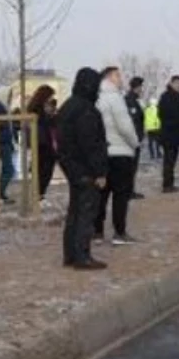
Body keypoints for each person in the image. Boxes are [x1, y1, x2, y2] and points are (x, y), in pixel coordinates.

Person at [56, 68, 108, 270]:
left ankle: (70, 254)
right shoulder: (87, 110)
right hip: (85, 169)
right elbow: (91, 144)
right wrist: (100, 172)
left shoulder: (68, 106)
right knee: (86, 212)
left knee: (75, 211)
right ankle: (82, 256)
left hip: (71, 166)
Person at [94, 67, 140, 244]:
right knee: (121, 194)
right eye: (118, 75)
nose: (121, 78)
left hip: (103, 153)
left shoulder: (97, 99)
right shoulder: (116, 98)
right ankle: (119, 232)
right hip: (120, 152)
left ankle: (97, 231)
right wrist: (135, 143)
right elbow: (125, 126)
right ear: (110, 78)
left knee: (102, 194)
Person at [26, 85, 58, 201]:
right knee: (44, 170)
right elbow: (43, 124)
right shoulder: (37, 109)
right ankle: (39, 195)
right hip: (41, 142)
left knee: (44, 169)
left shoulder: (37, 107)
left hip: (42, 141)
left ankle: (40, 194)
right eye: (50, 96)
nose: (51, 99)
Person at [158, 75, 179, 193]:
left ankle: (170, 183)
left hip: (176, 134)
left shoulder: (178, 96)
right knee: (168, 161)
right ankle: (167, 185)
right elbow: (162, 114)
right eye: (178, 83)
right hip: (168, 134)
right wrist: (172, 123)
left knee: (172, 161)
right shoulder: (165, 96)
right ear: (172, 83)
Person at [125, 76, 146, 200]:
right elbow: (132, 122)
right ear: (136, 87)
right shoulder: (130, 101)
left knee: (132, 168)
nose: (141, 89)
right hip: (132, 140)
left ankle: (130, 190)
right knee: (130, 168)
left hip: (135, 139)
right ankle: (128, 191)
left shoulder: (135, 100)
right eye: (140, 87)